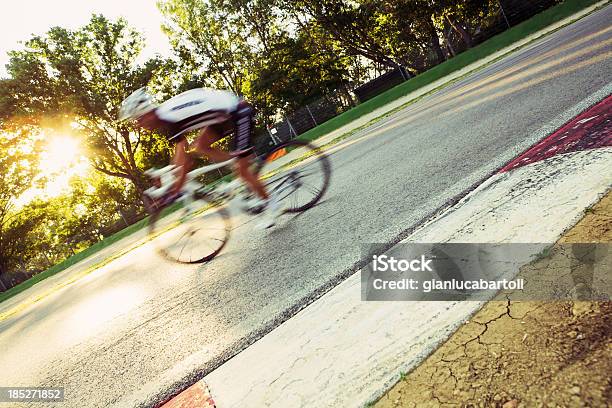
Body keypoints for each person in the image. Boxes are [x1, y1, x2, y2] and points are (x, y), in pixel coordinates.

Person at [118, 87, 280, 229]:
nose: (139, 125)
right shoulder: (165, 115)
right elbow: (182, 155)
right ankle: (241, 163)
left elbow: (184, 161)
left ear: (147, 114)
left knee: (243, 170)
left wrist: (173, 191)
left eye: (138, 120)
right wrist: (171, 177)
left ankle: (271, 203)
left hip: (238, 112)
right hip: (223, 116)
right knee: (200, 146)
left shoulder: (168, 118)